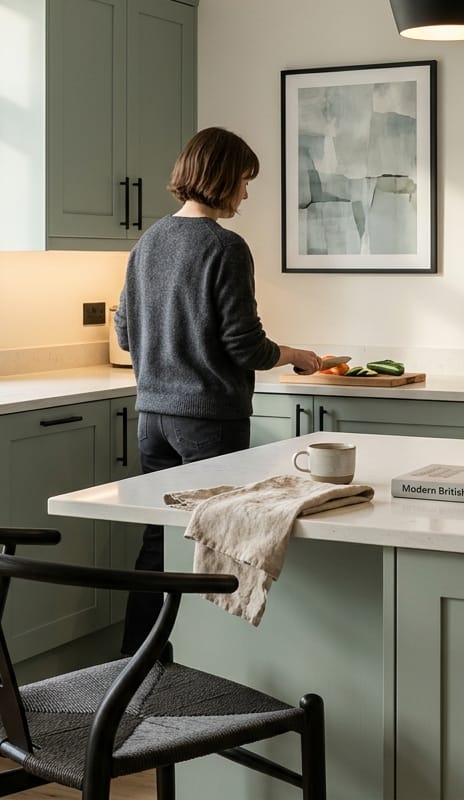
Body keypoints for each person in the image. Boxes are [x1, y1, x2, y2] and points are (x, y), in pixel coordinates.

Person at [114, 126, 321, 653]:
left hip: (152, 418)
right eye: (244, 182)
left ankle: (138, 665)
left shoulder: (148, 242)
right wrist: (296, 356)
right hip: (208, 419)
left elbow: (123, 331)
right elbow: (244, 345)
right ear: (222, 178)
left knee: (158, 540)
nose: (246, 195)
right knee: (219, 542)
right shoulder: (224, 247)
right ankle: (220, 668)